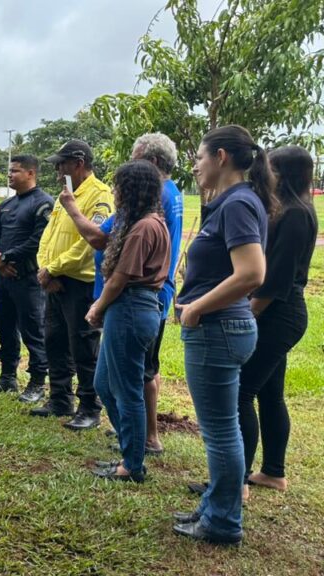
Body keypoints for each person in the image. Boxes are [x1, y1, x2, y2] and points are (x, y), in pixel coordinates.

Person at [172, 125, 274, 545]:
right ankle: (215, 506)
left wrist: (196, 307)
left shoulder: (238, 203)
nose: (195, 165)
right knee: (222, 427)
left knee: (219, 431)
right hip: (224, 328)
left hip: (218, 329)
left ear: (221, 157)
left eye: (199, 157)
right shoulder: (234, 201)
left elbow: (252, 273)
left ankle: (223, 522)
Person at [60, 133, 184, 453]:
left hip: (134, 299)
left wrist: (73, 209)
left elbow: (103, 244)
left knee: (133, 377)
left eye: (133, 161)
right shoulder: (170, 194)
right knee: (135, 373)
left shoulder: (147, 210)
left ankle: (142, 443)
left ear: (150, 165)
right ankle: (138, 436)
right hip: (146, 297)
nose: (116, 190)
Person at [85, 161, 171, 483]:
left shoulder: (144, 227)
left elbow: (121, 277)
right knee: (104, 384)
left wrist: (98, 307)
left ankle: (133, 464)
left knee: (128, 389)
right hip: (131, 308)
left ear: (131, 190)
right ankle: (130, 451)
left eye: (119, 186)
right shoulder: (146, 222)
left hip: (131, 307)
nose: (115, 191)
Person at [238, 146, 317, 493]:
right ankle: (272, 472)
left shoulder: (296, 215)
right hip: (278, 312)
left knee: (241, 392)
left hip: (278, 313)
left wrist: (248, 315)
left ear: (284, 174)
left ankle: (236, 480)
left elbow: (277, 279)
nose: (265, 174)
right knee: (269, 393)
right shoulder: (288, 209)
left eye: (270, 169)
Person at [32, 140, 113, 431]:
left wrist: (53, 268)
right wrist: (46, 269)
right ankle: (60, 398)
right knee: (54, 340)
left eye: (61, 164)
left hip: (80, 283)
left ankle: (90, 407)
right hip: (55, 280)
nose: (57, 171)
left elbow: (90, 243)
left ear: (79, 163)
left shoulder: (100, 195)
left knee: (83, 347)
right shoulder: (66, 195)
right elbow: (49, 236)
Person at [0, 155, 53, 397]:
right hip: (3, 278)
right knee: (5, 328)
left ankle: (37, 382)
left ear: (31, 173)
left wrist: (6, 257)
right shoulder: (5, 206)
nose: (10, 175)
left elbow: (38, 241)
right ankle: (7, 376)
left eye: (15, 171)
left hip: (28, 278)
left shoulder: (44, 203)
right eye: (10, 171)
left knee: (33, 331)